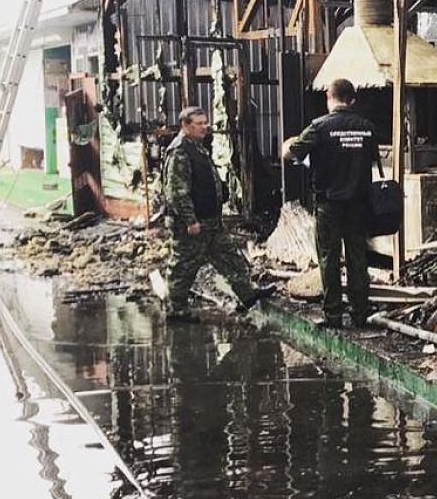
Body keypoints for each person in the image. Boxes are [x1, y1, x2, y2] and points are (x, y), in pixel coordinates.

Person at [283, 78, 380, 329]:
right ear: (352, 100)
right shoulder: (367, 127)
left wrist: (288, 145)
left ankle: (333, 316)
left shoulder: (319, 127)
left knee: (329, 257)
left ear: (329, 96)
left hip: (329, 204)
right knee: (358, 257)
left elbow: (291, 153)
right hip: (359, 203)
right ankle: (360, 314)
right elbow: (370, 160)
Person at [163, 106, 270, 322]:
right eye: (200, 123)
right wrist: (190, 221)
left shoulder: (198, 148)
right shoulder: (180, 151)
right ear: (186, 125)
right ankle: (176, 311)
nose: (205, 127)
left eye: (206, 122)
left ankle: (247, 295)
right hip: (192, 225)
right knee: (183, 266)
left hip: (211, 222)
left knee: (230, 257)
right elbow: (176, 192)